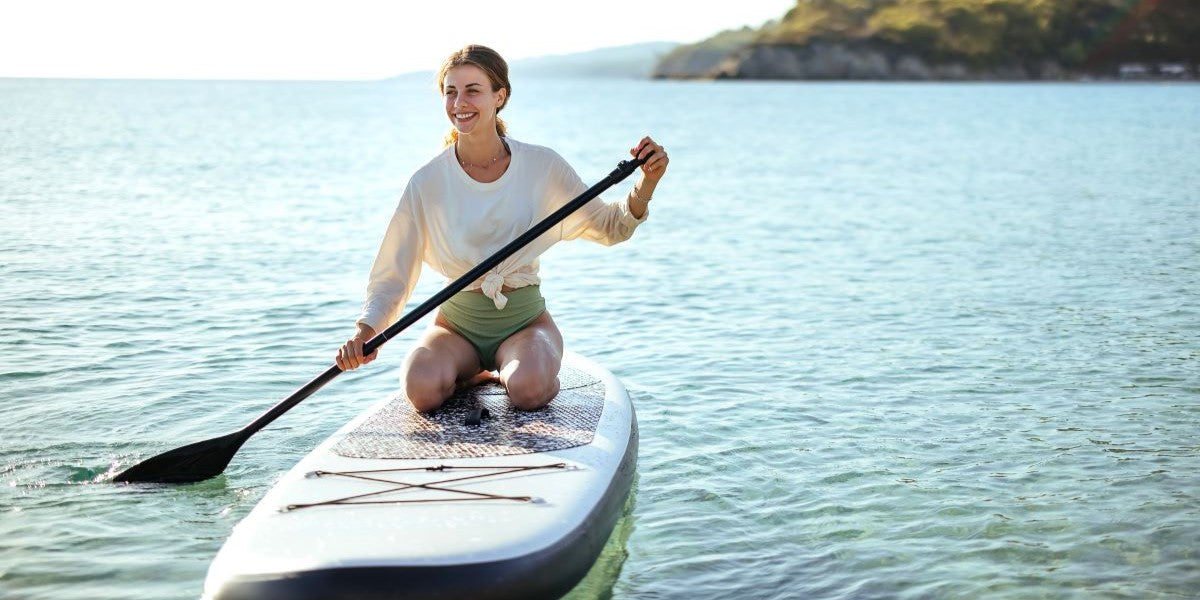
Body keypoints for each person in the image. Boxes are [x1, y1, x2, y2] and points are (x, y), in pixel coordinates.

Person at [334, 44, 668, 413]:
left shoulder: (542, 166)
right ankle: (470, 371)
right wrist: (367, 333)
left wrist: (647, 182)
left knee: (527, 390)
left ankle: (526, 369)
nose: (460, 102)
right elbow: (394, 272)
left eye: (473, 90)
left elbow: (610, 227)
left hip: (524, 325)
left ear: (500, 96)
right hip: (456, 328)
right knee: (421, 390)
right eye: (451, 91)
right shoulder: (427, 181)